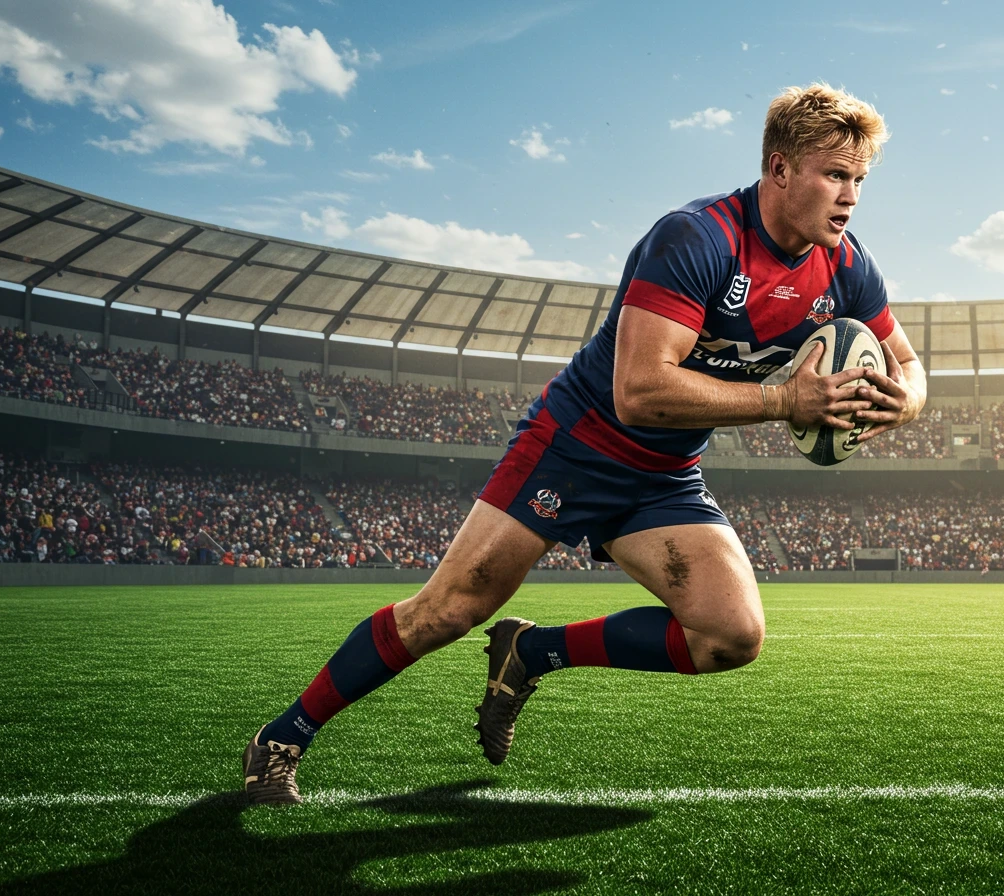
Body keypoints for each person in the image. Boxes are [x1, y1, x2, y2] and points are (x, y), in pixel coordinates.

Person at [243, 83, 928, 804]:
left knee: (730, 636)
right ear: (780, 168)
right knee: (448, 610)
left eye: (859, 179)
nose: (851, 196)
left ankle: (532, 650)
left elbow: (909, 366)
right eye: (835, 175)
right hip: (574, 446)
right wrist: (785, 400)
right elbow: (639, 390)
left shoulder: (847, 266)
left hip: (664, 473)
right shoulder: (697, 239)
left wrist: (902, 401)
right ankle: (282, 738)